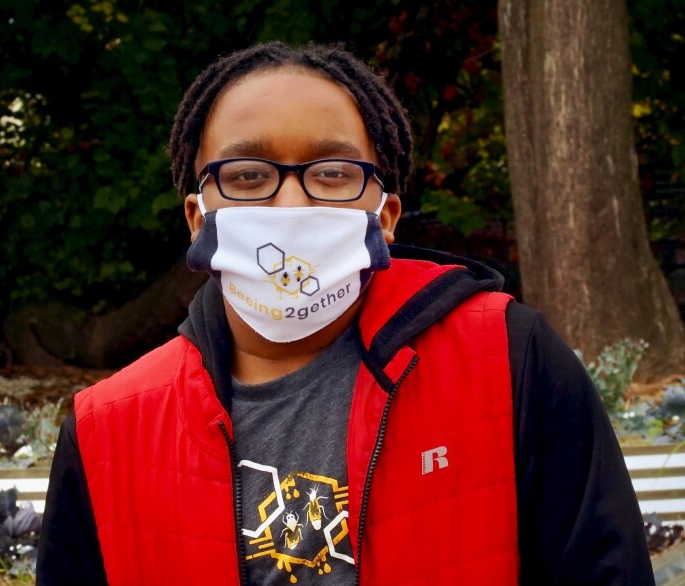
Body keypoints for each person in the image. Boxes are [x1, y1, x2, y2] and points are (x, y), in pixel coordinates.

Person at [36, 41, 653, 585]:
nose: (290, 202)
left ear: (384, 216)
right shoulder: (106, 432)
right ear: (199, 217)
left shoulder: (512, 361)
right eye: (248, 175)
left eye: (332, 173)